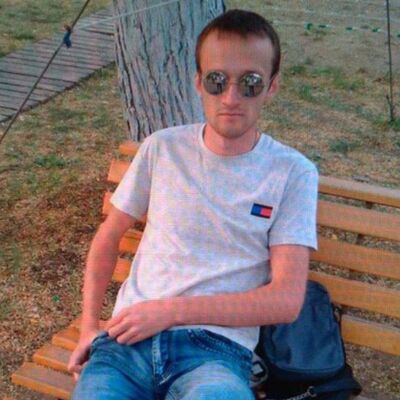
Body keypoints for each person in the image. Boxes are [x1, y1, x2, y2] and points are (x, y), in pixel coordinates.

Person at [68, 8, 318, 400]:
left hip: (215, 353)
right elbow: (109, 235)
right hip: (126, 344)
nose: (231, 98)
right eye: (218, 81)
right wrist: (88, 327)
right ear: (199, 83)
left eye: (250, 83)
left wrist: (171, 311)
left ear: (271, 87)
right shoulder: (162, 148)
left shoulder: (292, 173)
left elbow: (285, 300)